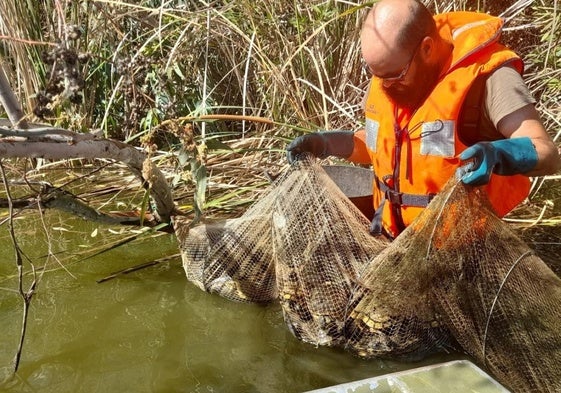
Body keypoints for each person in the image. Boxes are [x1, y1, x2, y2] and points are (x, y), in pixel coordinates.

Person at [286, 0, 560, 239]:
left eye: (393, 75)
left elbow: (547, 152)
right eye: (377, 75)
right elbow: (377, 148)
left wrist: (499, 154)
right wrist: (326, 143)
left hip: (462, 250)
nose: (384, 86)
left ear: (427, 48)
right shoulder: (388, 74)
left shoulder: (488, 79)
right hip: (391, 240)